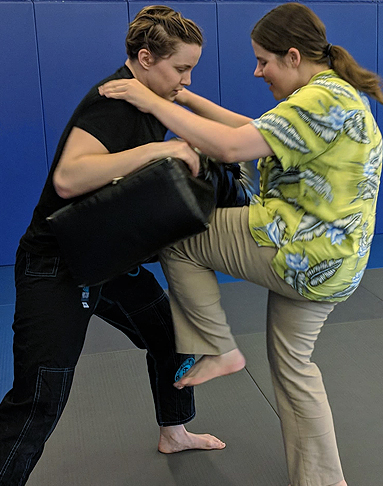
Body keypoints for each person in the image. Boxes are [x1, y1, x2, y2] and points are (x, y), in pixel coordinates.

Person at [98, 3, 383, 485]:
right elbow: (245, 129)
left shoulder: (323, 101)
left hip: (301, 250)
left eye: (263, 61)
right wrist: (184, 99)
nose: (257, 71)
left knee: (181, 240)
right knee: (295, 370)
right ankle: (322, 481)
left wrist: (154, 102)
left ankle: (216, 348)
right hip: (338, 267)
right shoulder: (332, 94)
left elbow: (230, 149)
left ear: (293, 56)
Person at [0, 6, 233, 485]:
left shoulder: (148, 98)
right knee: (42, 394)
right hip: (58, 264)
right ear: (145, 59)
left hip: (106, 257)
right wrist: (160, 149)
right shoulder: (113, 103)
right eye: (181, 69)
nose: (186, 81)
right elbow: (69, 178)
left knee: (171, 339)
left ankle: (174, 430)